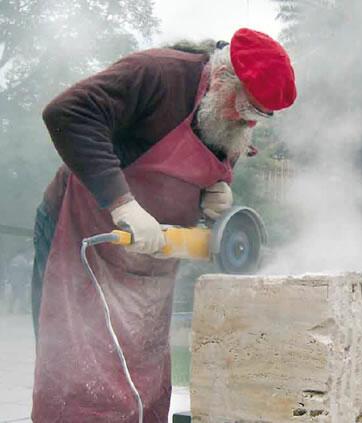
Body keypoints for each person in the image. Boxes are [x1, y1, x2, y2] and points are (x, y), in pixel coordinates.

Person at [31, 28, 296, 422]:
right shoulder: (157, 74)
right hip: (83, 237)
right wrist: (123, 204)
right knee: (78, 369)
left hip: (149, 259)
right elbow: (68, 113)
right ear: (224, 78)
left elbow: (210, 167)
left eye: (260, 115)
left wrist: (215, 194)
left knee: (142, 376)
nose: (247, 121)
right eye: (246, 107)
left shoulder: (231, 120)